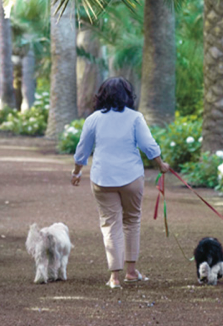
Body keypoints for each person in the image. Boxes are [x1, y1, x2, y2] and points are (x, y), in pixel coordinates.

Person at [71, 77, 170, 289]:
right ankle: (131, 272)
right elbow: (148, 144)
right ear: (128, 95)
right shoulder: (135, 118)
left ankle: (114, 277)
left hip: (102, 178)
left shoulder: (94, 119)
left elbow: (82, 150)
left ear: (101, 96)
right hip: (131, 177)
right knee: (132, 221)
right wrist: (160, 164)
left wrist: (77, 171)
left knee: (110, 223)